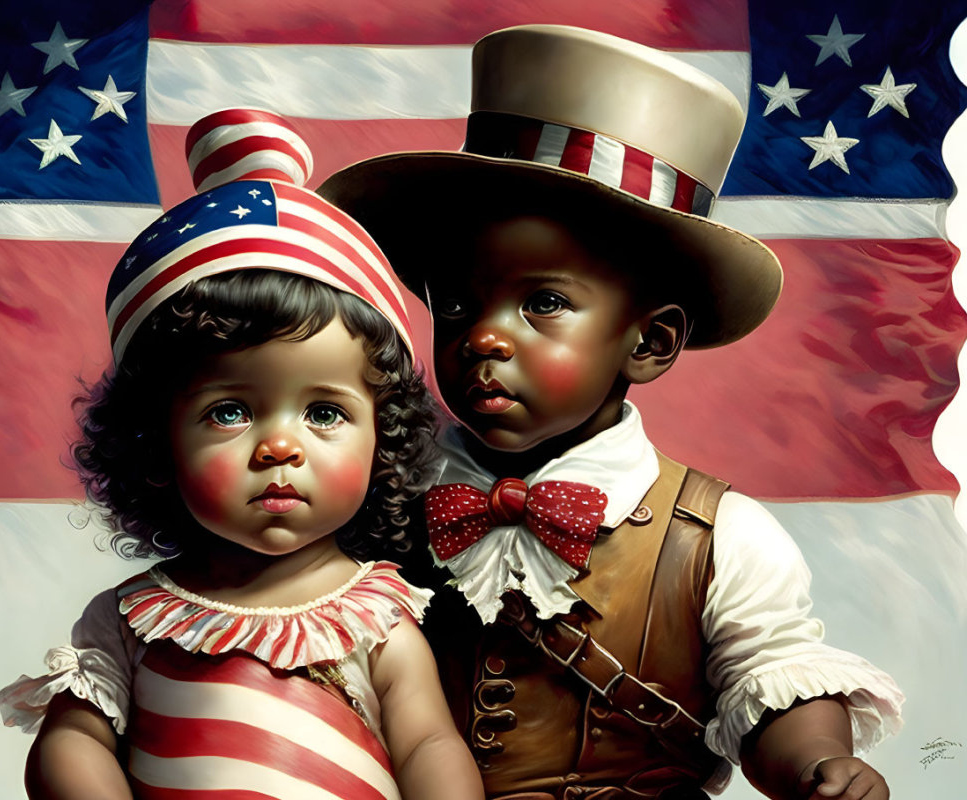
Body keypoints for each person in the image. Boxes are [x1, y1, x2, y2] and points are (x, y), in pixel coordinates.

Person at [318, 25, 905, 800]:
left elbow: (768, 673)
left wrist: (815, 763)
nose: (485, 337)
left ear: (650, 343)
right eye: (458, 303)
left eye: (545, 303)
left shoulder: (717, 538)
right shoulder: (376, 502)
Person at [0, 108, 484, 800]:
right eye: (230, 412)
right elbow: (72, 741)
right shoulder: (130, 621)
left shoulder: (377, 619)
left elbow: (430, 744)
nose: (280, 447)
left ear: (384, 440)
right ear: (156, 441)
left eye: (324, 412)